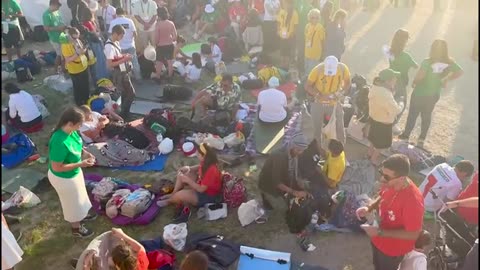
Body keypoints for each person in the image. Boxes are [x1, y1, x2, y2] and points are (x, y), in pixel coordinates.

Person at [356, 154, 424, 270]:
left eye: (386, 177)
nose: (381, 179)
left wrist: (380, 232)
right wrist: (369, 207)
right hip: (378, 239)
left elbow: (413, 234)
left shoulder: (413, 201)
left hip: (392, 250)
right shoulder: (390, 183)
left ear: (402, 178)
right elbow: (381, 196)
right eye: (381, 173)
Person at [399, 39, 464, 147]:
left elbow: (421, 76)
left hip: (420, 93)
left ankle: (406, 135)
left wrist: (414, 82)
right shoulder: (449, 63)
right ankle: (421, 139)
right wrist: (446, 79)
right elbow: (460, 72)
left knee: (413, 114)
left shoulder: (427, 62)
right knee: (426, 115)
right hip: (433, 94)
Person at [48, 107, 97, 238]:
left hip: (74, 173)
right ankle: (76, 228)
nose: (81, 127)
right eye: (79, 124)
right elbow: (57, 167)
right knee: (72, 203)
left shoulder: (71, 132)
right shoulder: (59, 141)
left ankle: (83, 214)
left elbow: (78, 145)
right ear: (70, 123)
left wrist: (85, 153)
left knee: (80, 196)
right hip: (64, 179)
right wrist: (81, 164)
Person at [156, 143, 222, 210]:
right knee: (183, 174)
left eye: (198, 154)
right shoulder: (207, 161)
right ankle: (173, 194)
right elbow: (200, 166)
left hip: (207, 196)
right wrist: (189, 168)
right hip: (201, 185)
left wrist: (188, 180)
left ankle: (169, 201)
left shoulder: (211, 170)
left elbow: (201, 189)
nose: (196, 154)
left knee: (180, 194)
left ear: (204, 156)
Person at [305, 55, 350, 147]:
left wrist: (340, 94)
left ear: (337, 66)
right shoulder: (317, 70)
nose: (329, 74)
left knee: (339, 127)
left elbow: (348, 82)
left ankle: (340, 149)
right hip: (318, 102)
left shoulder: (342, 69)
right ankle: (317, 149)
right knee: (316, 128)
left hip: (335, 102)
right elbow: (307, 86)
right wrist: (319, 95)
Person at [258, 132, 310, 210]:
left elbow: (294, 170)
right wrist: (295, 192)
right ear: (292, 146)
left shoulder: (294, 153)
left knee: (306, 185)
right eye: (298, 150)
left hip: (284, 179)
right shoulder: (279, 156)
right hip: (269, 186)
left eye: (302, 150)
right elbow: (276, 182)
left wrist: (299, 181)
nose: (300, 153)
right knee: (283, 208)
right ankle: (266, 197)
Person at [367, 69, 404, 166]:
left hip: (374, 119)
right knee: (381, 144)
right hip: (384, 123)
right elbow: (395, 110)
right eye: (394, 79)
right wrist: (401, 103)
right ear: (388, 81)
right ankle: (373, 160)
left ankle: (369, 153)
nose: (396, 80)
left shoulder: (375, 87)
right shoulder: (386, 94)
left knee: (373, 139)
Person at [386, 29, 418, 126]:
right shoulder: (406, 56)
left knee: (389, 102)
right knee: (401, 105)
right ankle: (392, 125)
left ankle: (384, 122)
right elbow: (416, 66)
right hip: (400, 82)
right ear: (404, 41)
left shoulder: (389, 52)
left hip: (389, 79)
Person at [105, 24, 136, 119]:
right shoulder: (109, 47)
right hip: (118, 73)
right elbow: (110, 64)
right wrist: (124, 59)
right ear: (115, 34)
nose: (122, 38)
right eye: (121, 36)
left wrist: (124, 56)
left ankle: (124, 113)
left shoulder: (116, 43)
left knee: (125, 93)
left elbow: (116, 56)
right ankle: (124, 114)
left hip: (123, 71)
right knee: (131, 93)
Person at [81, 228, 149, 270]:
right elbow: (140, 248)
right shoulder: (142, 261)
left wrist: (86, 267)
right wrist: (122, 235)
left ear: (118, 267)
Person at [60, 27, 91, 106]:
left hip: (83, 66)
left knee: (86, 85)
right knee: (78, 88)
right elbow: (68, 60)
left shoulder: (77, 40)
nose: (76, 39)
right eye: (74, 38)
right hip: (75, 70)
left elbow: (81, 51)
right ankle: (80, 104)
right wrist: (77, 54)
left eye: (78, 37)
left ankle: (87, 100)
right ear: (69, 36)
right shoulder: (65, 45)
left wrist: (84, 49)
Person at [109, 8, 141, 80]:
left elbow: (110, 34)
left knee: (121, 64)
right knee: (134, 62)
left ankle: (125, 79)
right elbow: (135, 33)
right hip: (130, 45)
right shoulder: (129, 21)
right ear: (124, 13)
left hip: (119, 47)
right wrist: (132, 40)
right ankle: (138, 78)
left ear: (116, 14)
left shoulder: (113, 22)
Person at [43, 0, 67, 73]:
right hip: (55, 38)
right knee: (60, 55)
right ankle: (56, 69)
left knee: (63, 54)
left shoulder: (56, 12)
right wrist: (58, 28)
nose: (58, 8)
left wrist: (64, 27)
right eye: (57, 6)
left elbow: (60, 21)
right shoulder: (46, 15)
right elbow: (46, 28)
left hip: (62, 36)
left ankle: (63, 69)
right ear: (53, 5)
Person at [153, 7, 177, 80]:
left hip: (160, 46)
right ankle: (170, 77)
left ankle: (158, 77)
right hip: (170, 45)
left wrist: (155, 44)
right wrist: (170, 39)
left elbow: (156, 38)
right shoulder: (171, 23)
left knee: (159, 62)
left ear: (159, 15)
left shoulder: (158, 24)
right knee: (170, 62)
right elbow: (175, 37)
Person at [276, 0, 298, 69]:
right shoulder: (281, 12)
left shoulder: (294, 13)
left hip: (289, 36)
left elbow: (296, 25)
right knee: (282, 51)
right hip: (282, 35)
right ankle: (282, 65)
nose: (286, 5)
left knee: (288, 52)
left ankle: (287, 66)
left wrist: (293, 33)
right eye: (285, 4)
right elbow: (278, 22)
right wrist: (278, 30)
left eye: (288, 4)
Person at [296, 0, 315, 74]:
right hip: (303, 31)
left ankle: (302, 68)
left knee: (303, 50)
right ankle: (302, 68)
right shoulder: (306, 6)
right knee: (303, 50)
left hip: (305, 32)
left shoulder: (309, 7)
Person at [304, 8, 325, 74]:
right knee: (306, 69)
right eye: (312, 17)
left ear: (319, 18)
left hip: (315, 54)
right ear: (309, 17)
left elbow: (323, 41)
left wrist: (323, 53)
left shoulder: (320, 27)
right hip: (307, 52)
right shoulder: (307, 26)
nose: (314, 19)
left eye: (316, 18)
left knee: (312, 72)